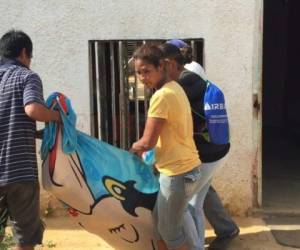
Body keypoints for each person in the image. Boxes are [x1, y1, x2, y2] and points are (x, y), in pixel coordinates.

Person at [130, 44, 219, 250]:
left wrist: (132, 149)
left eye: (147, 71)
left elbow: (147, 142)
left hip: (177, 173)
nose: (143, 77)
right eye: (139, 73)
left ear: (161, 66)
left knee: (171, 233)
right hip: (181, 169)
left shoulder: (162, 96)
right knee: (160, 226)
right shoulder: (175, 87)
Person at [162, 40, 239, 250]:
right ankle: (224, 229)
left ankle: (195, 245)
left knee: (186, 204)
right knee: (200, 195)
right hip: (218, 147)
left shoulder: (182, 82)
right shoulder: (196, 72)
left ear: (170, 61)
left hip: (205, 153)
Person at [0, 30, 61, 250]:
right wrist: (57, 117)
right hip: (19, 173)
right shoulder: (27, 76)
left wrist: (36, 134)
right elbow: (33, 110)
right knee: (25, 236)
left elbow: (8, 122)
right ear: (24, 53)